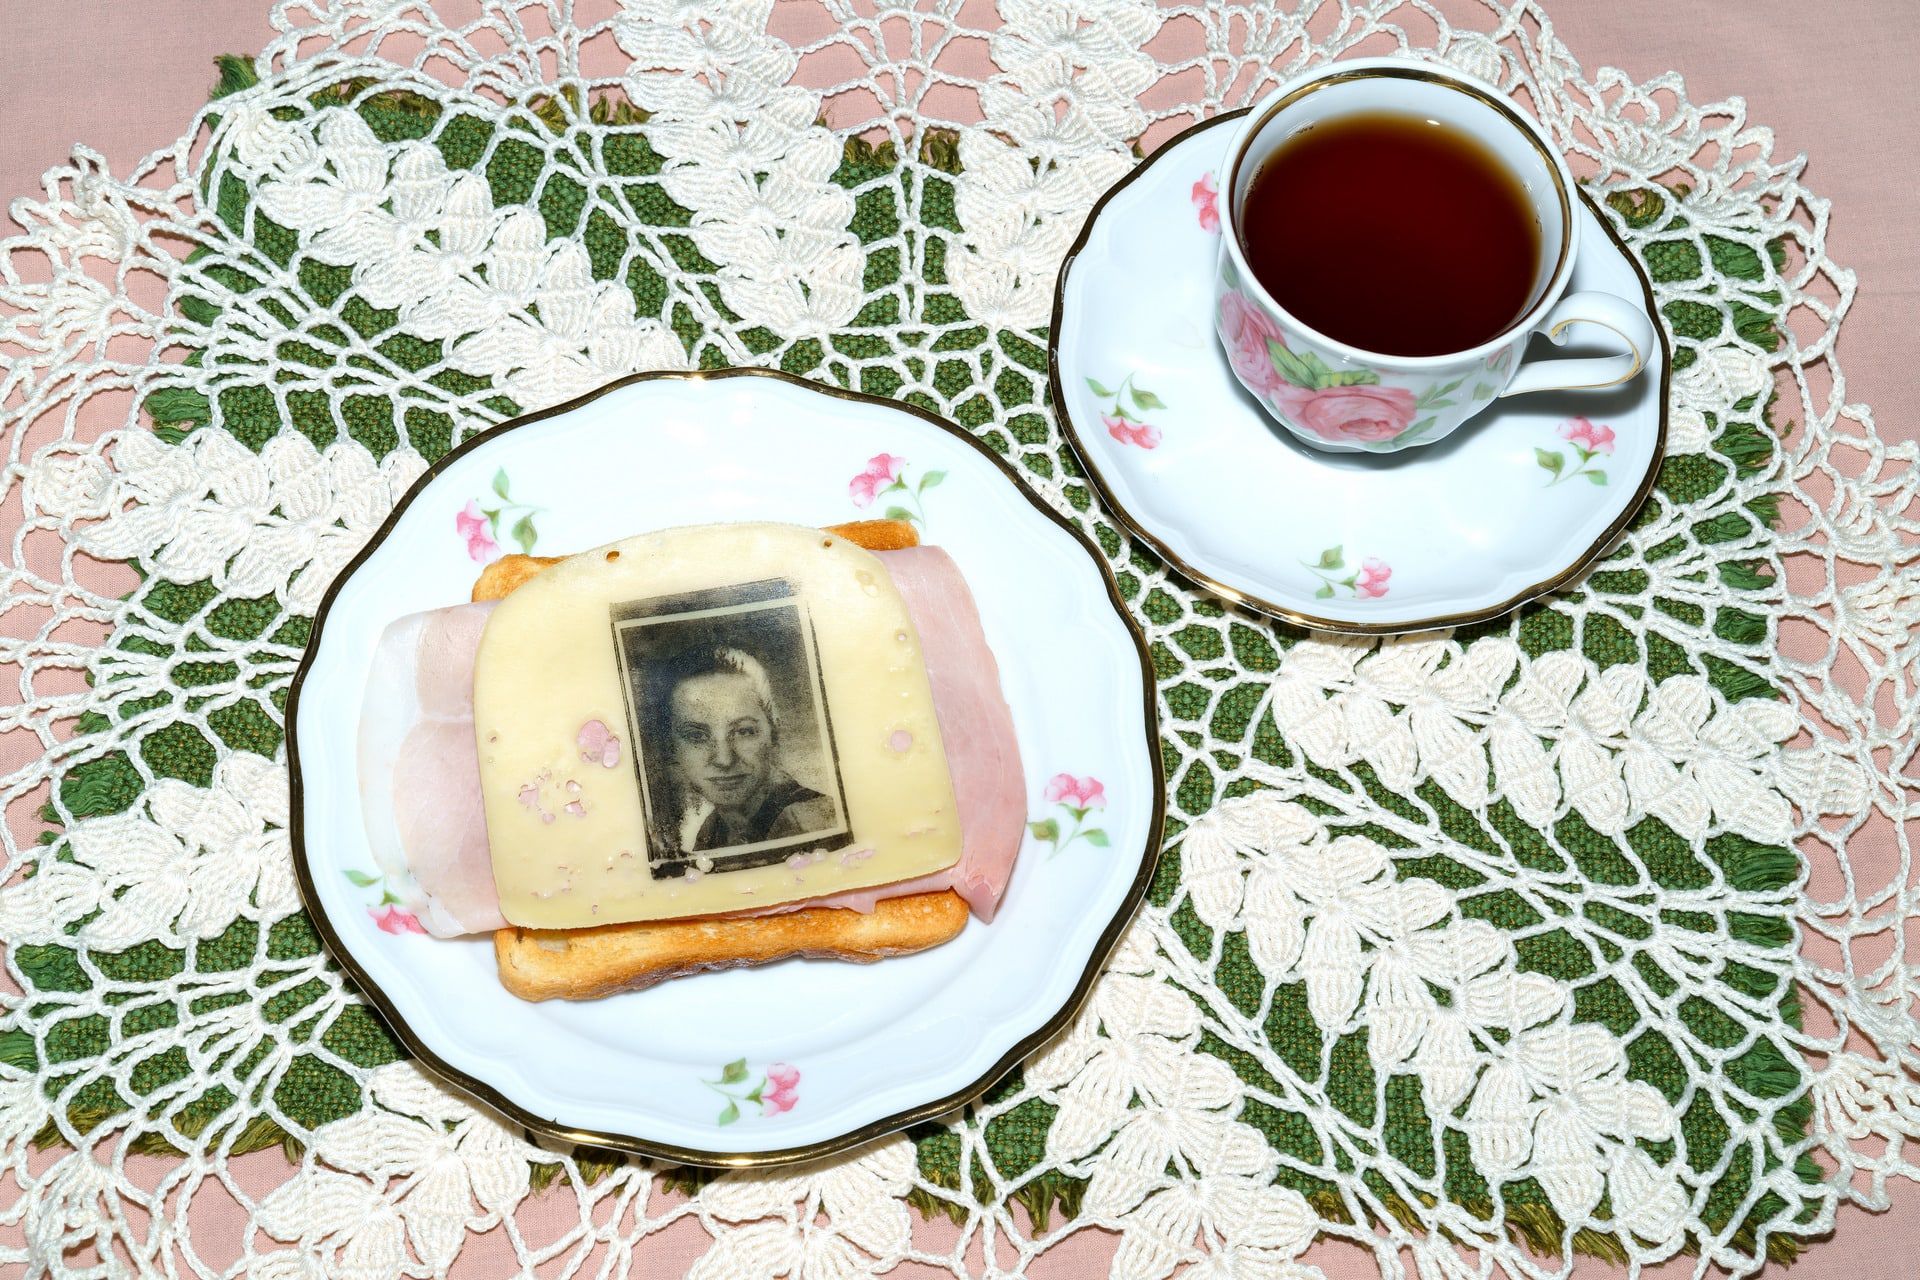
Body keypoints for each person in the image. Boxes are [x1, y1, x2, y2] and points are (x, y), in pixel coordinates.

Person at [662, 647, 837, 851]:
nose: (724, 759)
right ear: (672, 747)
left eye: (744, 731)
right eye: (696, 736)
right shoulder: (712, 831)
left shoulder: (812, 824)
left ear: (774, 732)